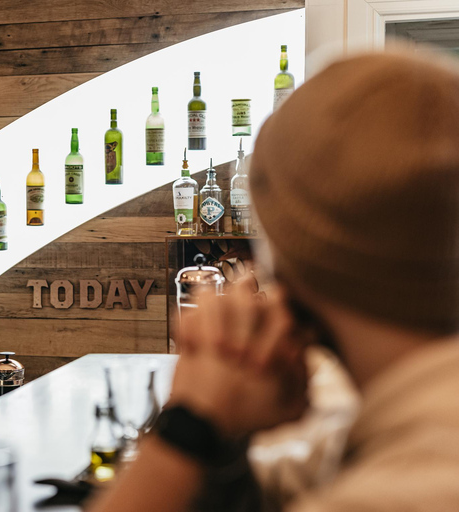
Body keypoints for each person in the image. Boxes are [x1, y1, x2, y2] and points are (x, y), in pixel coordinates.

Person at [87, 50, 459, 511]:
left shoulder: (396, 493)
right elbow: (287, 475)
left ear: (288, 259)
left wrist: (192, 418)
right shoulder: (374, 408)